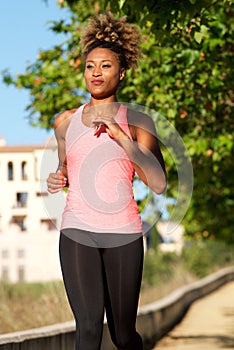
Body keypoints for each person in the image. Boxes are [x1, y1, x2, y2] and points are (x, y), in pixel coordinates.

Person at [47, 11, 166, 350]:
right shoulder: (65, 122)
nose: (96, 72)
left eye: (106, 66)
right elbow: (67, 167)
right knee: (87, 329)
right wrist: (60, 177)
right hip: (77, 229)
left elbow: (157, 183)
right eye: (90, 66)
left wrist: (123, 139)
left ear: (122, 72)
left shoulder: (138, 120)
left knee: (124, 335)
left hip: (123, 231)